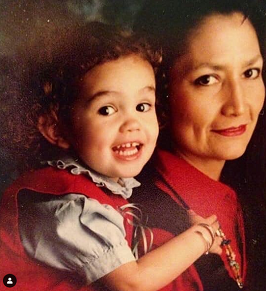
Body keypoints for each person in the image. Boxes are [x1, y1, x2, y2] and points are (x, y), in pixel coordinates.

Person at [0, 22, 223, 291]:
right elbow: (131, 284)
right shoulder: (68, 207)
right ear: (57, 129)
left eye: (142, 106)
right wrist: (202, 236)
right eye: (107, 110)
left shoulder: (98, 188)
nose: (132, 124)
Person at [133, 0, 266, 290]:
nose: (239, 105)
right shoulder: (144, 232)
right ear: (159, 94)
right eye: (208, 79)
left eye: (250, 73)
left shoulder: (260, 207)